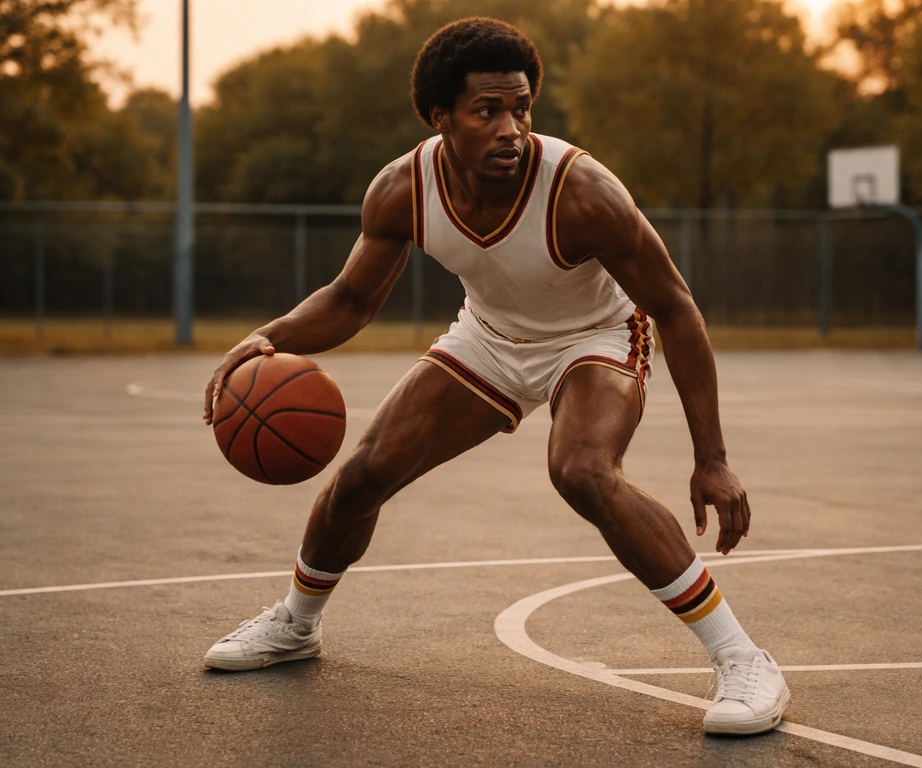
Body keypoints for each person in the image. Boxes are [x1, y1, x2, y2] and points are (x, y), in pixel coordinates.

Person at [201, 17, 789, 736]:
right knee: (363, 475)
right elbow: (350, 301)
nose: (511, 128)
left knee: (581, 469)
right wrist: (268, 336)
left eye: (522, 109)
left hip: (596, 335)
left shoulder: (582, 192)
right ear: (441, 117)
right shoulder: (403, 189)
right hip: (490, 335)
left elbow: (675, 307)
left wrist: (713, 459)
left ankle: (744, 659)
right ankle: (296, 623)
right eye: (488, 111)